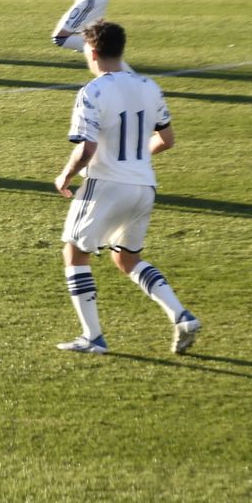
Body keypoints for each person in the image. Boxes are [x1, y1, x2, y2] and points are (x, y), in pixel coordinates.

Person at [52, 20, 199, 355]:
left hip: (105, 184)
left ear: (91, 51)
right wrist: (134, 159)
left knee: (75, 251)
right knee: (126, 257)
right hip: (143, 186)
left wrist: (65, 176)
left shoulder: (93, 91)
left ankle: (92, 337)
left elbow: (87, 149)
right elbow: (167, 139)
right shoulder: (149, 86)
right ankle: (182, 315)